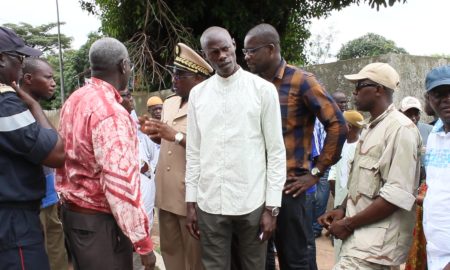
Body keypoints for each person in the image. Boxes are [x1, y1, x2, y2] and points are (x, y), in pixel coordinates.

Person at [244, 23, 347, 269]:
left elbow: (337, 125)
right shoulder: (250, 85)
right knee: (259, 257)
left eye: (251, 51)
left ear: (270, 49)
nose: (246, 57)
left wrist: (316, 172)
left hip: (290, 189)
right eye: (244, 52)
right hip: (255, 188)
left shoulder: (302, 81)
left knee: (295, 259)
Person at [184, 26, 286, 269]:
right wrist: (190, 202)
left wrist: (272, 207)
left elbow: (276, 151)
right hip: (209, 202)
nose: (221, 56)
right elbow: (194, 152)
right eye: (213, 52)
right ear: (205, 54)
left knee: (253, 265)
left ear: (233, 44)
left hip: (251, 201)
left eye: (225, 48)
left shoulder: (262, 90)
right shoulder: (198, 95)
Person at [56, 37, 156, 270]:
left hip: (74, 217)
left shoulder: (75, 99)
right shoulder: (111, 113)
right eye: (130, 65)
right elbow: (120, 185)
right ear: (123, 66)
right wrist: (144, 244)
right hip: (101, 224)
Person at [319, 62, 421, 269]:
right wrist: (342, 209)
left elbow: (396, 195)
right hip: (361, 242)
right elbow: (362, 184)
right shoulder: (369, 129)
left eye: (360, 86)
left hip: (377, 248)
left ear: (378, 90)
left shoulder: (401, 130)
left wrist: (348, 224)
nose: (354, 92)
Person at [141, 42, 213, 270]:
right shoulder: (170, 103)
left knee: (195, 259)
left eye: (181, 74)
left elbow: (212, 149)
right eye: (173, 72)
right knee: (171, 253)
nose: (174, 78)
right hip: (166, 194)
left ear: (199, 79)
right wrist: (154, 133)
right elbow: (166, 141)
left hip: (191, 198)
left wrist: (175, 136)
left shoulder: (210, 106)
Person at [0, 26, 65, 269]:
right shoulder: (6, 104)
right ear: (1, 59)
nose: (21, 66)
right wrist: (34, 107)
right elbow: (58, 153)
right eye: (19, 59)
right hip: (14, 225)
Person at [20, 57, 69, 270]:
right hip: (30, 202)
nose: (53, 82)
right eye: (48, 77)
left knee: (57, 252)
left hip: (49, 196)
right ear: (29, 79)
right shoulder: (16, 110)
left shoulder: (37, 110)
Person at [422, 65, 450, 270]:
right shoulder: (433, 135)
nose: (446, 99)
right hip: (436, 253)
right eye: (439, 94)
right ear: (429, 99)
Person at [327, 110, 364, 261]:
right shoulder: (341, 144)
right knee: (337, 242)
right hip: (339, 199)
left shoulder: (361, 148)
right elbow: (335, 169)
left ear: (348, 126)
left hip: (353, 201)